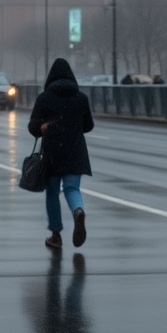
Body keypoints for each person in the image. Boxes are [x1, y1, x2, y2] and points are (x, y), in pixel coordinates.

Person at [28, 58, 94, 249]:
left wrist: (43, 127)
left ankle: (56, 235)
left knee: (53, 193)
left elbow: (33, 127)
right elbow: (88, 126)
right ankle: (78, 210)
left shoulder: (44, 98)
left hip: (53, 152)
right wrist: (73, 127)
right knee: (72, 189)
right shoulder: (81, 98)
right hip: (75, 150)